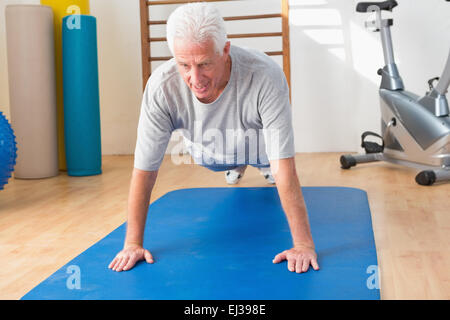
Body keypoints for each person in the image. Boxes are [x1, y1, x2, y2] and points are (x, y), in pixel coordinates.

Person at [108, 2, 319, 274]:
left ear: (225, 51)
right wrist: (132, 243)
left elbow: (285, 167)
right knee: (214, 153)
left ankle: (252, 163)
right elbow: (144, 170)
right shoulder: (161, 87)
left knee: (272, 163)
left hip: (259, 148)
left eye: (205, 64)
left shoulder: (265, 75)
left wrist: (303, 243)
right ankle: (235, 163)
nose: (195, 78)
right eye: (184, 65)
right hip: (208, 152)